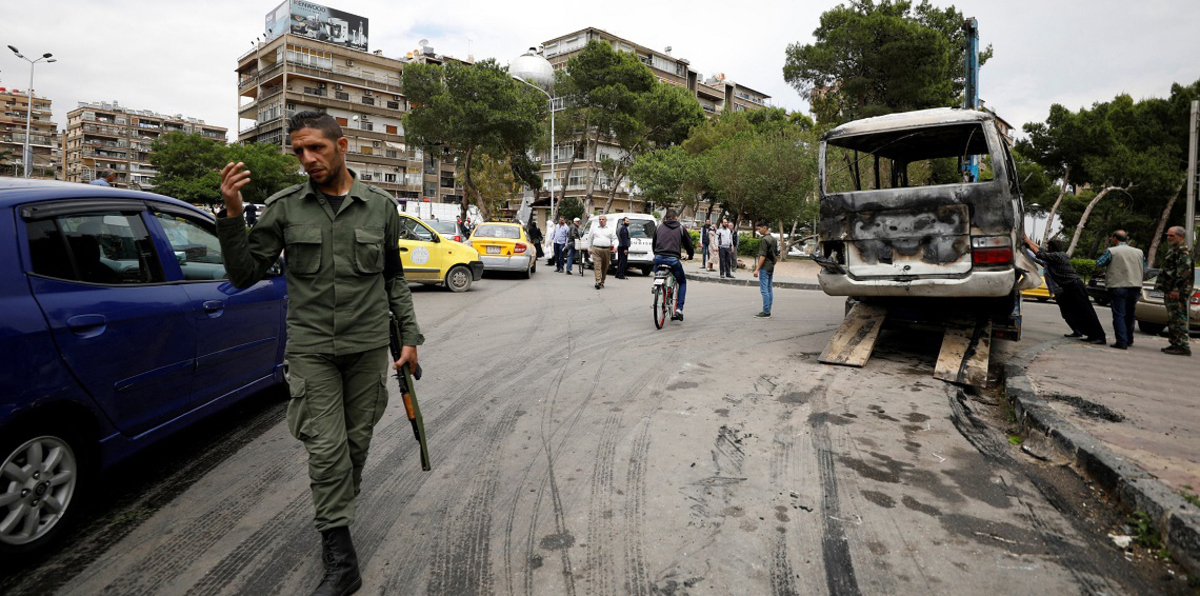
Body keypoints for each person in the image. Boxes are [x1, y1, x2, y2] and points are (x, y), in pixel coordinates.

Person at [215, 110, 423, 596]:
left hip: (367, 345)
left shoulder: (381, 207)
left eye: (317, 149)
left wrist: (409, 338)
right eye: (299, 152)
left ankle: (336, 519)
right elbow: (244, 274)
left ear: (342, 144)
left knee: (355, 445)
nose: (307, 159)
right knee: (326, 451)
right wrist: (229, 213)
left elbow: (393, 278)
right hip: (311, 349)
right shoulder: (285, 208)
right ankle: (340, 557)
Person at [1022, 236, 1106, 344]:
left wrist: (1028, 242)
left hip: (1074, 286)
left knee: (1086, 311)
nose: (1046, 249)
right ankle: (1090, 334)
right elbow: (1040, 251)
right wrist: (1029, 242)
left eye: (1048, 247)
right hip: (1070, 287)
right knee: (1077, 312)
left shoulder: (1057, 256)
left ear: (1052, 248)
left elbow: (1040, 254)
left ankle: (1099, 336)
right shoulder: (1057, 256)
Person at [1095, 230, 1144, 349]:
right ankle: (1129, 339)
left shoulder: (1112, 251)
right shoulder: (1139, 252)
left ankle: (1121, 341)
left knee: (1119, 314)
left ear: (1115, 239)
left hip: (1118, 286)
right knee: (1130, 314)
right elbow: (1145, 266)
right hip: (1135, 286)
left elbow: (1099, 263)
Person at [650, 208, 695, 321]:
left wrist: (656, 254)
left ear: (666, 217)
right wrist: (690, 255)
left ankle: (657, 287)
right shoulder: (680, 228)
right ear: (676, 218)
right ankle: (679, 309)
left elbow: (654, 243)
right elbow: (689, 245)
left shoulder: (659, 227)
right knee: (682, 281)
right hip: (673, 260)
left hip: (659, 258)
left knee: (658, 274)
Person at [1156, 226, 1194, 356]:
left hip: (1177, 291)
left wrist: (1176, 289)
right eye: (1168, 235)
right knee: (1173, 318)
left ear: (1180, 237)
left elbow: (1184, 271)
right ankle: (1175, 343)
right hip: (1170, 289)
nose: (1169, 238)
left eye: (1172, 236)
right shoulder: (1174, 249)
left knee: (1178, 318)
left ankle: (1183, 346)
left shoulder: (1183, 251)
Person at [752, 221, 778, 318]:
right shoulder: (773, 239)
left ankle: (766, 311)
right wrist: (772, 264)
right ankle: (768, 309)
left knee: (764, 290)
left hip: (764, 267)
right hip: (770, 266)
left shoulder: (764, 240)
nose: (759, 231)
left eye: (759, 229)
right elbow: (776, 256)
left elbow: (763, 256)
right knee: (769, 289)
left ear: (764, 228)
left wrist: (757, 269)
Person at [587, 215, 617, 289]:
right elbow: (590, 239)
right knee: (597, 265)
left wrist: (615, 246)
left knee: (605, 266)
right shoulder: (594, 229)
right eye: (600, 219)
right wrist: (589, 248)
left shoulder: (610, 229)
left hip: (606, 250)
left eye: (603, 219)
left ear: (605, 221)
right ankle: (598, 281)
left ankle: (602, 281)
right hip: (596, 249)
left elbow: (615, 239)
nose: (601, 220)